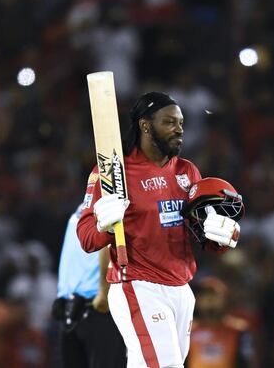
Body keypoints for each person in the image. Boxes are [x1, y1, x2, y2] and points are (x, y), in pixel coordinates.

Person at [77, 92, 243, 368]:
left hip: (181, 288)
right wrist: (103, 225)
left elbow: (201, 236)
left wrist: (221, 236)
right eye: (169, 122)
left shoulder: (188, 171)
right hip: (138, 286)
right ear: (145, 125)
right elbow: (86, 237)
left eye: (181, 123)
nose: (179, 129)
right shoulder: (113, 173)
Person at [53, 202, 126, 368]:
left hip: (98, 306)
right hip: (71, 308)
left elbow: (109, 242)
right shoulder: (85, 204)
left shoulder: (111, 199)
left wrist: (105, 293)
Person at [187, 276, 255, 368]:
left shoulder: (237, 330)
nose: (209, 299)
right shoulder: (188, 330)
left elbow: (247, 361)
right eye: (204, 295)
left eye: (214, 295)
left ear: (225, 299)